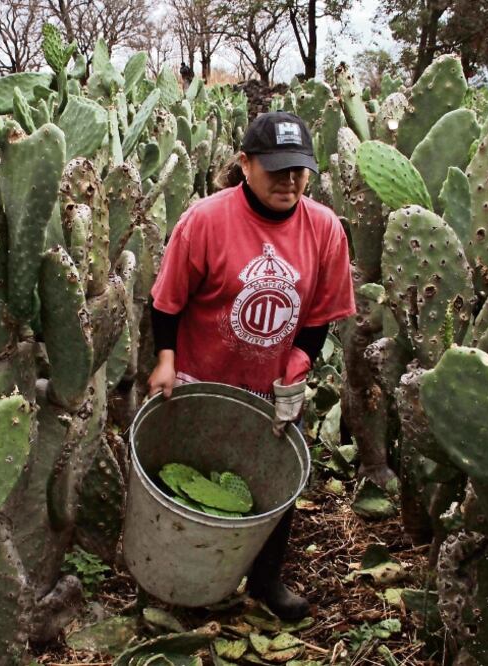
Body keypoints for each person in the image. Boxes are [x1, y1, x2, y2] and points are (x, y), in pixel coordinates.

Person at [147, 111, 356, 619]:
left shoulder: (324, 228)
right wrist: (166, 361)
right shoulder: (205, 220)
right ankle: (182, 582)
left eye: (298, 170)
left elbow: (320, 314)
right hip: (203, 376)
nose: (289, 181)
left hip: (273, 383)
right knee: (191, 481)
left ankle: (265, 581)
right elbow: (166, 302)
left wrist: (300, 364)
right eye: (276, 168)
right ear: (245, 163)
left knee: (272, 484)